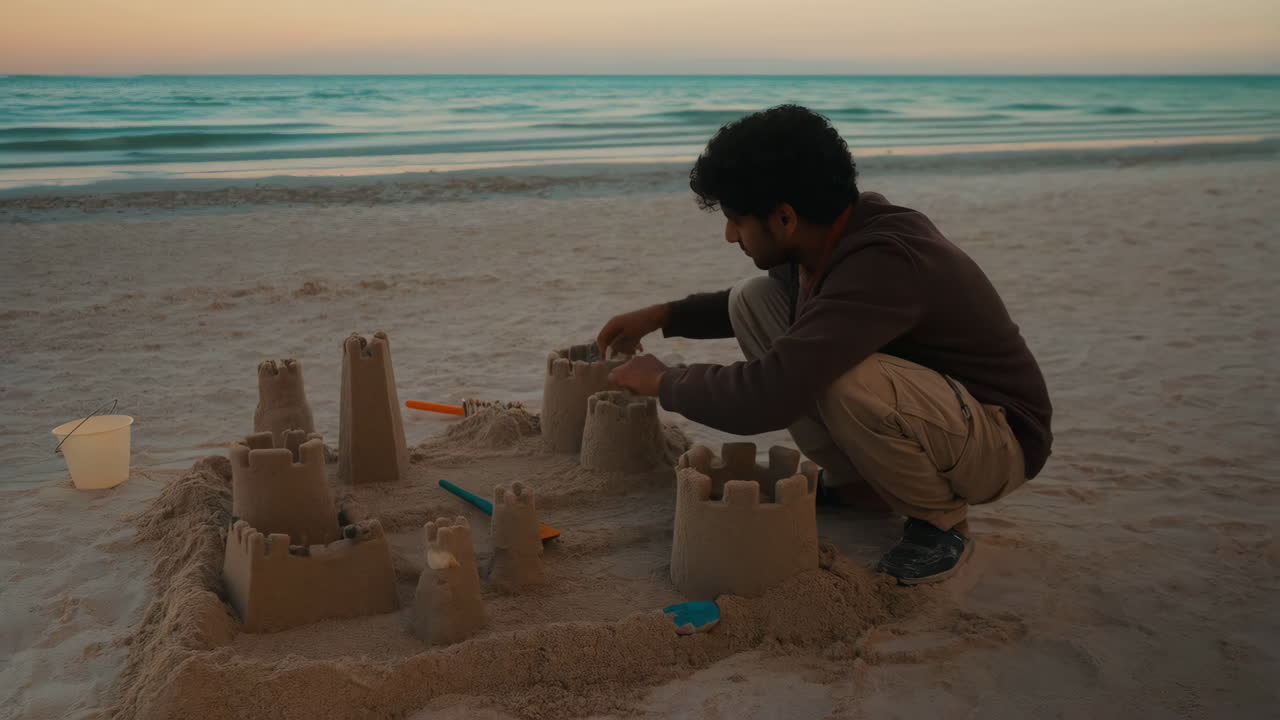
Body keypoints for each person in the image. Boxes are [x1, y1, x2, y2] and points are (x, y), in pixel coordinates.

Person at [597, 105, 1052, 585]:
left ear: (786, 217)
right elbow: (775, 312)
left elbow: (764, 397)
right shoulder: (831, 235)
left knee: (837, 374)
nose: (730, 235)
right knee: (753, 300)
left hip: (999, 442)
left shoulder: (882, 263)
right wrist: (664, 316)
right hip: (943, 416)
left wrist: (664, 381)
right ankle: (862, 488)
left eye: (736, 220)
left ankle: (941, 523)